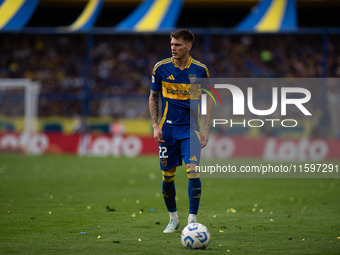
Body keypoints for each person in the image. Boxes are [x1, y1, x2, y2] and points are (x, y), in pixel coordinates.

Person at [149, 29, 211, 233]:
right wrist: (155, 125)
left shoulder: (200, 70)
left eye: (177, 45)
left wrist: (205, 129)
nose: (173, 48)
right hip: (167, 130)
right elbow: (153, 96)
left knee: (193, 172)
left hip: (190, 130)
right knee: (168, 176)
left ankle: (192, 220)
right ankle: (173, 219)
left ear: (188, 47)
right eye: (172, 44)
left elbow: (208, 100)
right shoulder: (161, 68)